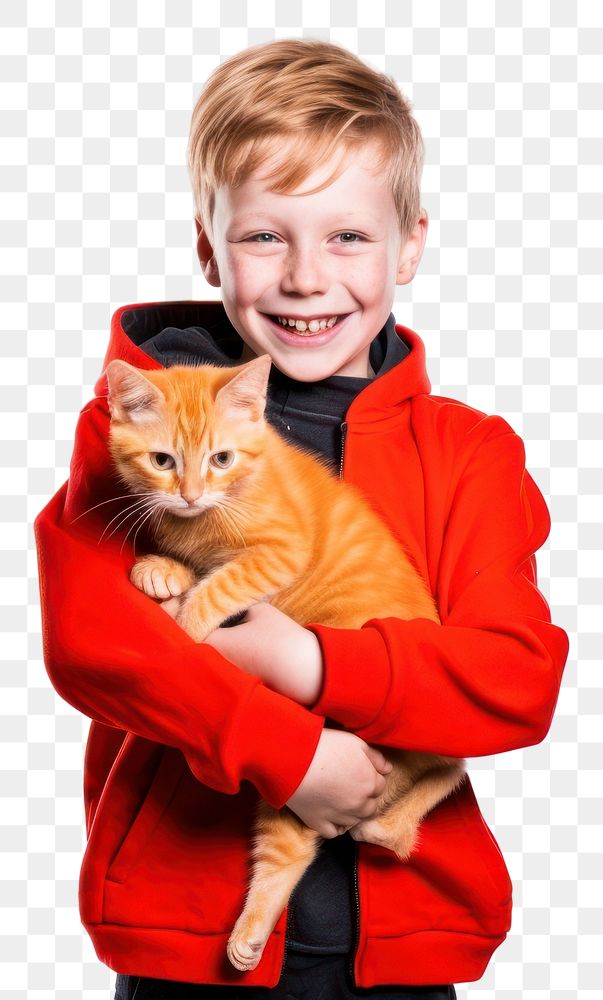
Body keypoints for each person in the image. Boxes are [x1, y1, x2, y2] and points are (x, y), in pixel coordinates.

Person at [34, 38, 569, 1000]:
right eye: (264, 236)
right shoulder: (138, 425)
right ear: (208, 245)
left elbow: (515, 680)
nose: (306, 278)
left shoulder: (467, 453)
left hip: (405, 933)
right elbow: (93, 642)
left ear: (410, 242)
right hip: (185, 945)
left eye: (349, 237)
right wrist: (291, 755)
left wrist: (308, 662)